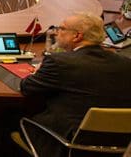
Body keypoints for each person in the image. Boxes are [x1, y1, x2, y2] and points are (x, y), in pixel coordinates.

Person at [17, 13, 131, 157]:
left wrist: (37, 72)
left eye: (62, 28)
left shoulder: (59, 62)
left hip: (66, 143)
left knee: (9, 123)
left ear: (77, 36)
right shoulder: (126, 64)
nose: (57, 32)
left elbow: (26, 88)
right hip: (119, 145)